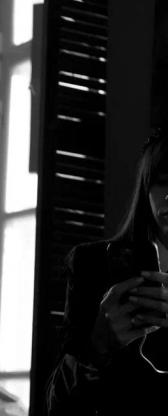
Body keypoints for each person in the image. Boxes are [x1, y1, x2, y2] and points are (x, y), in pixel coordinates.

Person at [46, 127, 168, 414]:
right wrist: (97, 347)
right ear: (145, 189)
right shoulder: (93, 265)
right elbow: (56, 406)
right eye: (161, 182)